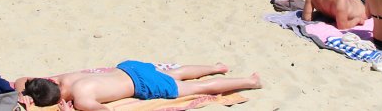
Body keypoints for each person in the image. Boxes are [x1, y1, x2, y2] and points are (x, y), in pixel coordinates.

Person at [14, 62, 261, 110]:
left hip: (142, 84)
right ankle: (216, 66)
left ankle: (250, 82)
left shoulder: (81, 98)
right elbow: (21, 80)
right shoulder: (67, 78)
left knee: (196, 89)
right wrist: (24, 93)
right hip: (130, 67)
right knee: (176, 72)